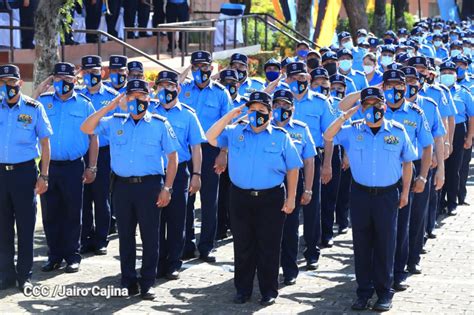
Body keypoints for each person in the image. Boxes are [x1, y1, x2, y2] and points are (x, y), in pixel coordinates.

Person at [80, 79, 178, 300]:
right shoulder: (115, 122)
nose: (136, 101)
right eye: (131, 97)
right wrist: (109, 106)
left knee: (150, 237)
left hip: (150, 186)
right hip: (122, 187)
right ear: (125, 99)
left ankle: (147, 283)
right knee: (125, 236)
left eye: (141, 97)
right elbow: (86, 128)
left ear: (148, 99)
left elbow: (173, 157)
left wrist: (168, 188)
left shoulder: (160, 123)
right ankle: (127, 281)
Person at [324, 87, 417, 312]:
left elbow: (408, 163)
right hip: (361, 194)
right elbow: (328, 135)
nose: (372, 109)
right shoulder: (352, 130)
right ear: (362, 108)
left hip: (387, 195)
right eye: (367, 105)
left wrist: (405, 192)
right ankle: (363, 292)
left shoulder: (398, 130)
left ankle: (385, 293)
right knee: (362, 244)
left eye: (376, 105)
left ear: (384, 106)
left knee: (386, 244)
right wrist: (347, 115)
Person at [206, 91, 302, 306]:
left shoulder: (280, 135)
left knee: (269, 246)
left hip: (271, 197)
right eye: (252, 110)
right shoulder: (235, 131)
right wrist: (231, 114)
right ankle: (243, 290)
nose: (256, 114)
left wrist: (292, 197)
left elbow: (293, 168)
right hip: (240, 197)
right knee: (243, 245)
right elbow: (210, 136)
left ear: (270, 113)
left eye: (261, 110)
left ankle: (269, 291)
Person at [38, 62, 98, 274]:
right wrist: (43, 85)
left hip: (74, 166)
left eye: (67, 78)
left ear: (74, 80)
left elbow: (93, 138)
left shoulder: (84, 104)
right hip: (49, 167)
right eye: (57, 78)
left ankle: (73, 255)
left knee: (73, 212)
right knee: (50, 213)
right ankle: (54, 255)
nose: (62, 82)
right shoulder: (43, 102)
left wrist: (92, 166)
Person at [0, 64, 52, 291]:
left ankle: (25, 275)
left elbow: (45, 143)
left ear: (20, 83)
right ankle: (5, 275)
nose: (7, 87)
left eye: (11, 82)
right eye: (2, 83)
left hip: (24, 173)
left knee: (25, 226)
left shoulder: (33, 108)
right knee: (2, 228)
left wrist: (44, 175)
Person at [151, 70, 205, 280]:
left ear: (178, 88)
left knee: (176, 220)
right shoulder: (149, 112)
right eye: (161, 86)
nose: (166, 90)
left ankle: (174, 263)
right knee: (155, 221)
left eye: (170, 86)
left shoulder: (188, 114)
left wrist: (197, 174)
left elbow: (196, 148)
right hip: (155, 173)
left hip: (180, 172)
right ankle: (157, 261)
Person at [179, 51, 232, 262]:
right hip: (187, 150)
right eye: (196, 66)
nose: (201, 70)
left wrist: (223, 152)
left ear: (211, 68)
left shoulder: (221, 93)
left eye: (205, 66)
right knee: (186, 199)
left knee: (210, 200)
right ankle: (186, 243)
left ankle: (207, 245)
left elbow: (227, 125)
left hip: (211, 151)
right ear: (191, 68)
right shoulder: (183, 91)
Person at [287, 61, 335, 269]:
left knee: (311, 206)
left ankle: (311, 251)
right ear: (287, 79)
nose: (300, 80)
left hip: (311, 159)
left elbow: (330, 135)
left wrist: (327, 165)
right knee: (287, 206)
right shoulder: (279, 100)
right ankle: (286, 250)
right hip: (283, 161)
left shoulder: (320, 101)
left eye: (303, 76)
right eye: (294, 77)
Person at [401, 66, 446, 282]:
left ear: (421, 83)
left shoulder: (429, 106)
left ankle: (413, 257)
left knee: (418, 213)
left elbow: (437, 137)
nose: (409, 85)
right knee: (399, 215)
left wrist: (440, 170)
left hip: (421, 163)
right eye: (405, 80)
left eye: (413, 81)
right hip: (396, 165)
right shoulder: (388, 106)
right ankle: (396, 259)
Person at [272, 89, 316, 285]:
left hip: (292, 185)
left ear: (293, 108)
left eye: (286, 105)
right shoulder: (263, 127)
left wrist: (307, 189)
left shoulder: (301, 128)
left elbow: (309, 161)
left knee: (290, 230)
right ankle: (268, 269)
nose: (281, 108)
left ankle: (290, 270)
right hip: (269, 185)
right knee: (267, 230)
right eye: (277, 105)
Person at [78, 55, 119, 256]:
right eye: (86, 72)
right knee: (83, 198)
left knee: (101, 197)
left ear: (102, 73)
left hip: (105, 153)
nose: (90, 76)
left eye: (94, 72)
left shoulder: (112, 96)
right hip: (82, 152)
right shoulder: (77, 95)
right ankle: (85, 237)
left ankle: (101, 239)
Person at [439, 60, 474, 215]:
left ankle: (452, 202)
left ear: (455, 75)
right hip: (439, 131)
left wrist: (469, 137)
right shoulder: (435, 91)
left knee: (454, 168)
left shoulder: (463, 92)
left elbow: (472, 116)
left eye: (450, 73)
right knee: (440, 167)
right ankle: (439, 202)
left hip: (459, 131)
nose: (447, 75)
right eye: (444, 73)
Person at [215, 69, 247, 240]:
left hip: (239, 154)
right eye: (224, 83)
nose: (229, 86)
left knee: (235, 192)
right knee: (221, 192)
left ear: (238, 84)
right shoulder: (218, 99)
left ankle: (235, 227)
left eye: (232, 83)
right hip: (220, 149)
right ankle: (220, 228)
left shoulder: (246, 105)